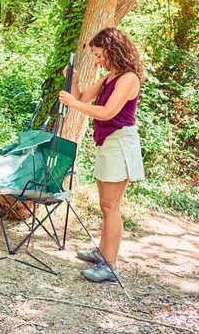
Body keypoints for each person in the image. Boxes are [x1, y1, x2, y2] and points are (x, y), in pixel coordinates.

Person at [58, 27, 145, 282]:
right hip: (108, 144)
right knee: (106, 205)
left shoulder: (128, 78)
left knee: (111, 207)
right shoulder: (110, 77)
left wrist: (74, 103)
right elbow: (82, 98)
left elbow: (107, 112)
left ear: (112, 49)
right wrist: (73, 81)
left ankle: (111, 265)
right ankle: (102, 253)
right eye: (95, 55)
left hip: (120, 144)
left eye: (99, 54)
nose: (98, 60)